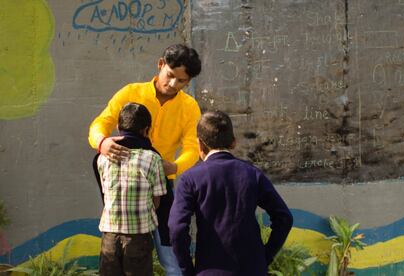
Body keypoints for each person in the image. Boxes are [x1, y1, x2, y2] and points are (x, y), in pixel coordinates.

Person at [89, 44, 202, 275]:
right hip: (124, 187)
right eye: (170, 76)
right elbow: (99, 124)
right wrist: (103, 143)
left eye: (181, 81)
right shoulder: (131, 92)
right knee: (119, 254)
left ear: (188, 82)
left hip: (163, 184)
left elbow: (192, 147)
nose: (172, 85)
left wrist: (175, 166)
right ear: (160, 65)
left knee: (171, 250)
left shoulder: (189, 107)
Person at [168, 111, 294, 276]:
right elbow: (284, 218)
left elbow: (176, 229)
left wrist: (187, 269)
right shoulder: (252, 174)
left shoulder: (190, 179)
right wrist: (264, 257)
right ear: (233, 142)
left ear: (200, 144)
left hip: (209, 270)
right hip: (252, 269)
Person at [97, 103, 167, 276]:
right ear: (146, 130)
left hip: (110, 236)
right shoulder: (152, 159)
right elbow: (157, 199)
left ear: (118, 127)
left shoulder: (103, 159)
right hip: (139, 236)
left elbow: (106, 193)